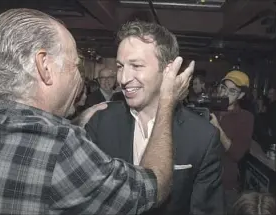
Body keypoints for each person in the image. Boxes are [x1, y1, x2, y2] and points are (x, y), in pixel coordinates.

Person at [0, 9, 193, 215]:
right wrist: (167, 101)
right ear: (45, 67)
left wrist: (74, 122)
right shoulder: (59, 147)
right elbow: (154, 186)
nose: (80, 78)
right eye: (75, 65)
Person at [85, 21, 224, 215]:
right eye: (120, 66)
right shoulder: (100, 121)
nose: (123, 78)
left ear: (168, 70)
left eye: (136, 65)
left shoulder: (203, 136)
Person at [210, 70, 254, 209]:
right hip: (202, 181)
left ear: (241, 95)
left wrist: (218, 128)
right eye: (224, 88)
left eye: (232, 91)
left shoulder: (245, 118)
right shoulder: (210, 109)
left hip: (226, 185)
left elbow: (236, 154)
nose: (226, 93)